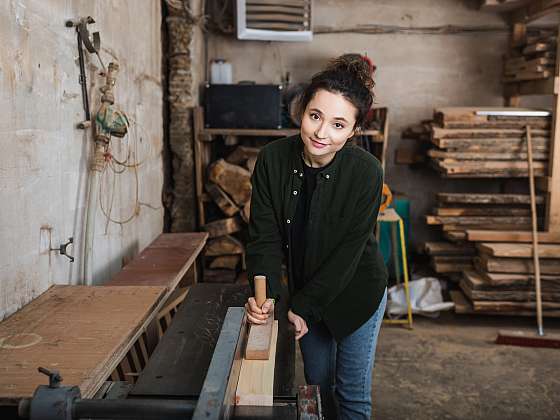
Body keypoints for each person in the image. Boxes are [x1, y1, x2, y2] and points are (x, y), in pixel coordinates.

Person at [245, 54, 388, 420]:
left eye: (339, 125)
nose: (322, 133)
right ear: (302, 111)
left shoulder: (367, 172)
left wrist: (302, 306)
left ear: (353, 131)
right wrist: (267, 298)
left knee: (351, 396)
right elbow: (263, 237)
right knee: (318, 391)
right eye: (315, 116)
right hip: (306, 292)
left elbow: (347, 254)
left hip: (357, 292)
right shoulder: (272, 160)